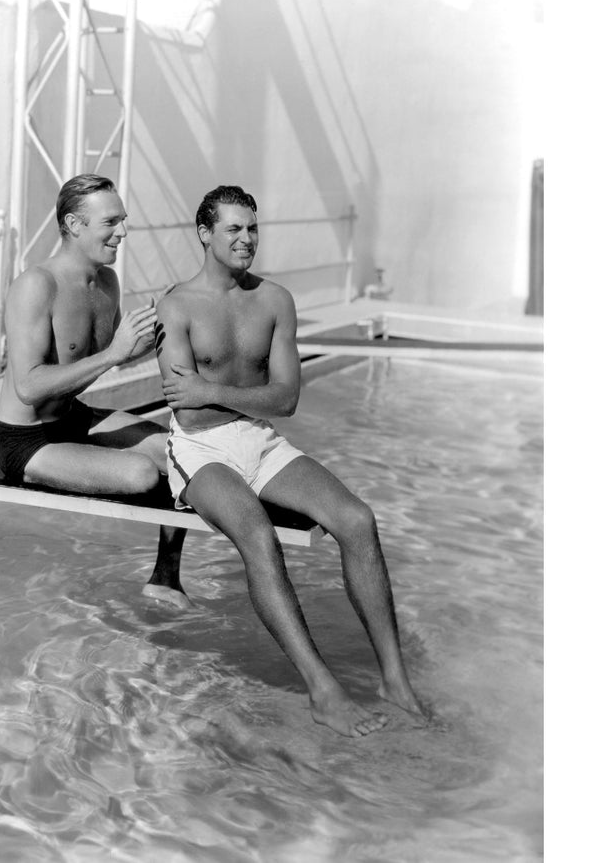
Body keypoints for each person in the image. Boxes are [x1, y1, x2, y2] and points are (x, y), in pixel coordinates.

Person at [155, 185, 427, 737]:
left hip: (261, 439)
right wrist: (212, 395)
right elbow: (193, 412)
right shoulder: (177, 306)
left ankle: (394, 680)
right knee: (258, 535)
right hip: (201, 451)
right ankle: (323, 690)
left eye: (252, 228)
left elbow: (287, 399)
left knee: (357, 520)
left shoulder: (275, 300)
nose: (246, 240)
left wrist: (213, 389)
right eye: (233, 229)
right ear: (205, 234)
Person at [0, 174, 188, 608]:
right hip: (25, 439)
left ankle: (165, 578)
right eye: (111, 222)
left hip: (72, 417)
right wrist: (114, 354)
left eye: (124, 221)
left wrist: (158, 328)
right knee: (141, 473)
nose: (122, 232)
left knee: (180, 451)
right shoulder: (36, 286)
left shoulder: (106, 284)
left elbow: (116, 354)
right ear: (74, 225)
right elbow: (27, 386)